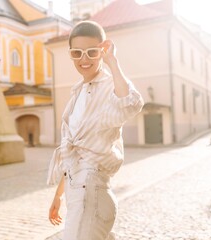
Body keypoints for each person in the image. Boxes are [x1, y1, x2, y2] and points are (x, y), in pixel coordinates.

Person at [47, 20, 144, 240]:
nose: (84, 59)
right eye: (76, 53)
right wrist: (59, 196)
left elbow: (131, 103)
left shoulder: (110, 86)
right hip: (77, 194)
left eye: (92, 52)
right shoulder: (77, 94)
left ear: (102, 51)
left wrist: (112, 62)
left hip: (92, 191)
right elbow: (72, 153)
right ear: (70, 54)